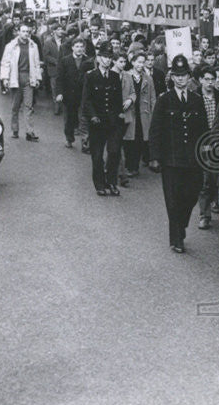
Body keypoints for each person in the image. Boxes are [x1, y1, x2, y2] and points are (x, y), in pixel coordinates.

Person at [148, 55, 209, 253]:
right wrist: (155, 157)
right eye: (177, 75)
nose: (181, 79)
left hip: (192, 159)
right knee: (173, 199)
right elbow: (155, 129)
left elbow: (204, 130)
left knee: (191, 195)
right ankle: (176, 238)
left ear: (189, 77)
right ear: (172, 77)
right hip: (171, 159)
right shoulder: (164, 100)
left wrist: (205, 153)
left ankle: (181, 223)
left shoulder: (196, 100)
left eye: (184, 75)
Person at [82, 44, 124, 196]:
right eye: (105, 57)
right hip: (97, 122)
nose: (107, 60)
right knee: (97, 155)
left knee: (114, 153)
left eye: (110, 58)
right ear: (99, 58)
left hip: (113, 122)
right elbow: (86, 100)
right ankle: (99, 184)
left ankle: (111, 182)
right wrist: (92, 116)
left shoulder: (114, 77)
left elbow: (118, 99)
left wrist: (119, 114)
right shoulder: (91, 76)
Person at [0, 22, 43, 141]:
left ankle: (30, 132)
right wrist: (5, 78)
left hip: (29, 77)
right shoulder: (11, 46)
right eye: (23, 31)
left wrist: (38, 78)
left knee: (28, 106)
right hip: (16, 77)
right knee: (15, 106)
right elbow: (5, 63)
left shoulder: (33, 46)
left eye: (28, 32)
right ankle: (15, 129)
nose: (25, 34)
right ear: (18, 32)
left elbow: (36, 63)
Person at [120, 51, 156, 183]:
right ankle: (129, 166)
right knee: (129, 139)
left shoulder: (147, 78)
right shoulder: (125, 76)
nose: (141, 65)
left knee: (140, 138)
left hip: (143, 113)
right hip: (130, 111)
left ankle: (134, 166)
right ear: (133, 62)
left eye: (143, 62)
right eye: (139, 62)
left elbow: (153, 97)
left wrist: (153, 113)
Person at [196, 64, 219, 229]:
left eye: (213, 79)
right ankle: (204, 215)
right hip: (202, 142)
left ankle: (215, 199)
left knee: (216, 178)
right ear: (200, 80)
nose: (210, 82)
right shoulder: (195, 97)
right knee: (205, 180)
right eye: (207, 79)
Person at [57, 38, 92, 148]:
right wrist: (59, 93)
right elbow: (60, 78)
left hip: (84, 94)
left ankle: (85, 140)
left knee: (84, 117)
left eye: (81, 47)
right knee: (70, 118)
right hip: (69, 94)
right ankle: (69, 138)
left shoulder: (88, 61)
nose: (79, 49)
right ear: (72, 47)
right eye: (77, 46)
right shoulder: (65, 60)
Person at [42, 23, 66, 114]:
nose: (61, 31)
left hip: (64, 68)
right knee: (54, 87)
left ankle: (63, 104)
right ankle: (56, 105)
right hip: (54, 69)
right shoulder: (48, 42)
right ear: (54, 31)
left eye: (61, 29)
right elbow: (46, 56)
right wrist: (55, 61)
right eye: (58, 29)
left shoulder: (66, 41)